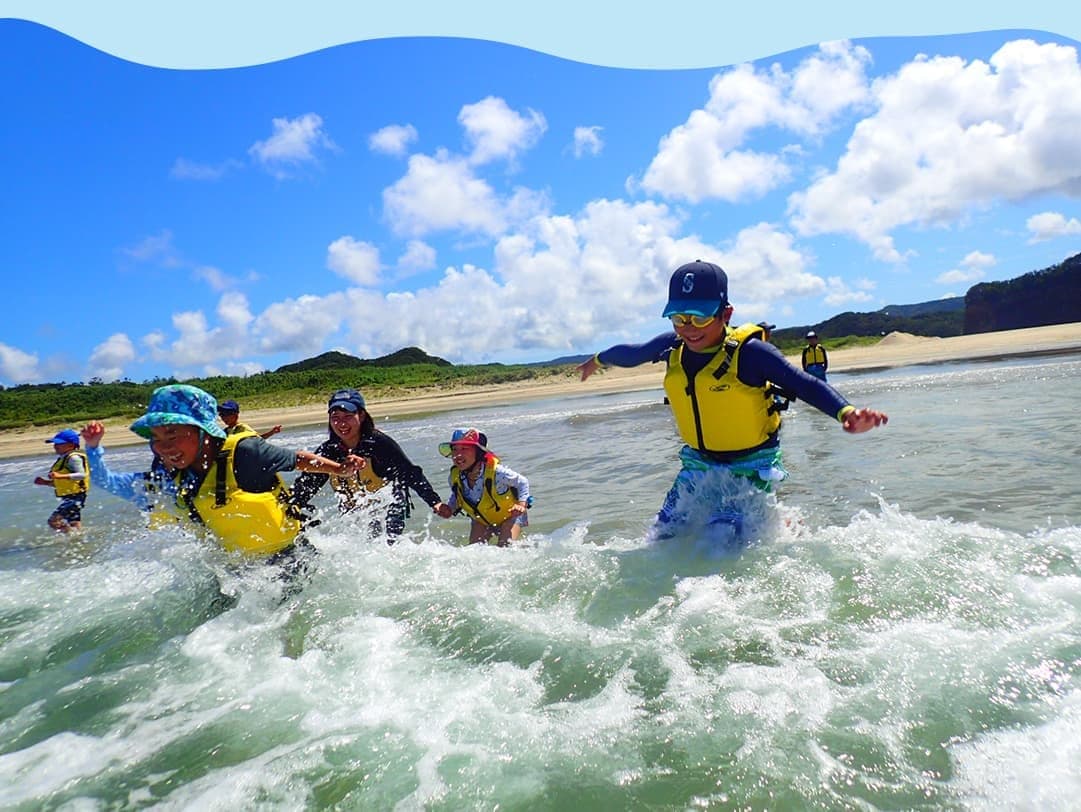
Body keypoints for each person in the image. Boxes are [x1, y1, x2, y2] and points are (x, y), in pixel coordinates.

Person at [577, 259, 887, 542]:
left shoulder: (751, 354)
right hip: (698, 463)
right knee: (660, 539)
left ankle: (783, 525)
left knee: (720, 542)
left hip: (751, 466)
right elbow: (632, 353)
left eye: (698, 318)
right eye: (678, 318)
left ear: (725, 314)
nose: (688, 329)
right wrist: (597, 359)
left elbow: (803, 383)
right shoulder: (671, 348)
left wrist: (845, 412)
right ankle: (776, 520)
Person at [81, 384, 362, 566]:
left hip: (291, 556)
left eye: (173, 435)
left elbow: (297, 459)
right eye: (155, 438)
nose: (164, 448)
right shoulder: (169, 479)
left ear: (203, 432)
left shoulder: (245, 453)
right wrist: (93, 449)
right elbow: (106, 481)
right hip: (233, 570)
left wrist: (340, 469)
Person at [290, 388, 449, 542]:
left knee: (385, 545)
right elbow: (309, 483)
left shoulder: (378, 443)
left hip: (389, 505)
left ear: (362, 415)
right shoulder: (329, 450)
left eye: (348, 416)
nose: (341, 423)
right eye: (335, 417)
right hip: (355, 508)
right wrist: (293, 505)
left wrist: (434, 502)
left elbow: (410, 473)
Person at [434, 428, 531, 546]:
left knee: (505, 549)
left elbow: (522, 482)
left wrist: (521, 505)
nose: (458, 455)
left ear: (479, 452)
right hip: (481, 521)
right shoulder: (454, 477)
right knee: (473, 552)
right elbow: (457, 495)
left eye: (464, 449)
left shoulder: (497, 472)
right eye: (454, 449)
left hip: (510, 518)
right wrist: (450, 509)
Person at [34, 428, 89, 533]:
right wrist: (45, 482)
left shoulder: (74, 458)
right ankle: (78, 538)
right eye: (54, 444)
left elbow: (82, 475)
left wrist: (60, 476)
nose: (55, 446)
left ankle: (71, 535)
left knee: (53, 521)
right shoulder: (64, 458)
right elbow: (64, 483)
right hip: (70, 496)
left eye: (59, 444)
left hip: (76, 497)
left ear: (71, 445)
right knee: (74, 523)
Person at [217, 399, 282, 439]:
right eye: (221, 414)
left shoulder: (243, 428)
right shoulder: (225, 432)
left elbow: (258, 440)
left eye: (226, 414)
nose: (223, 417)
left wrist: (271, 432)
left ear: (235, 415)